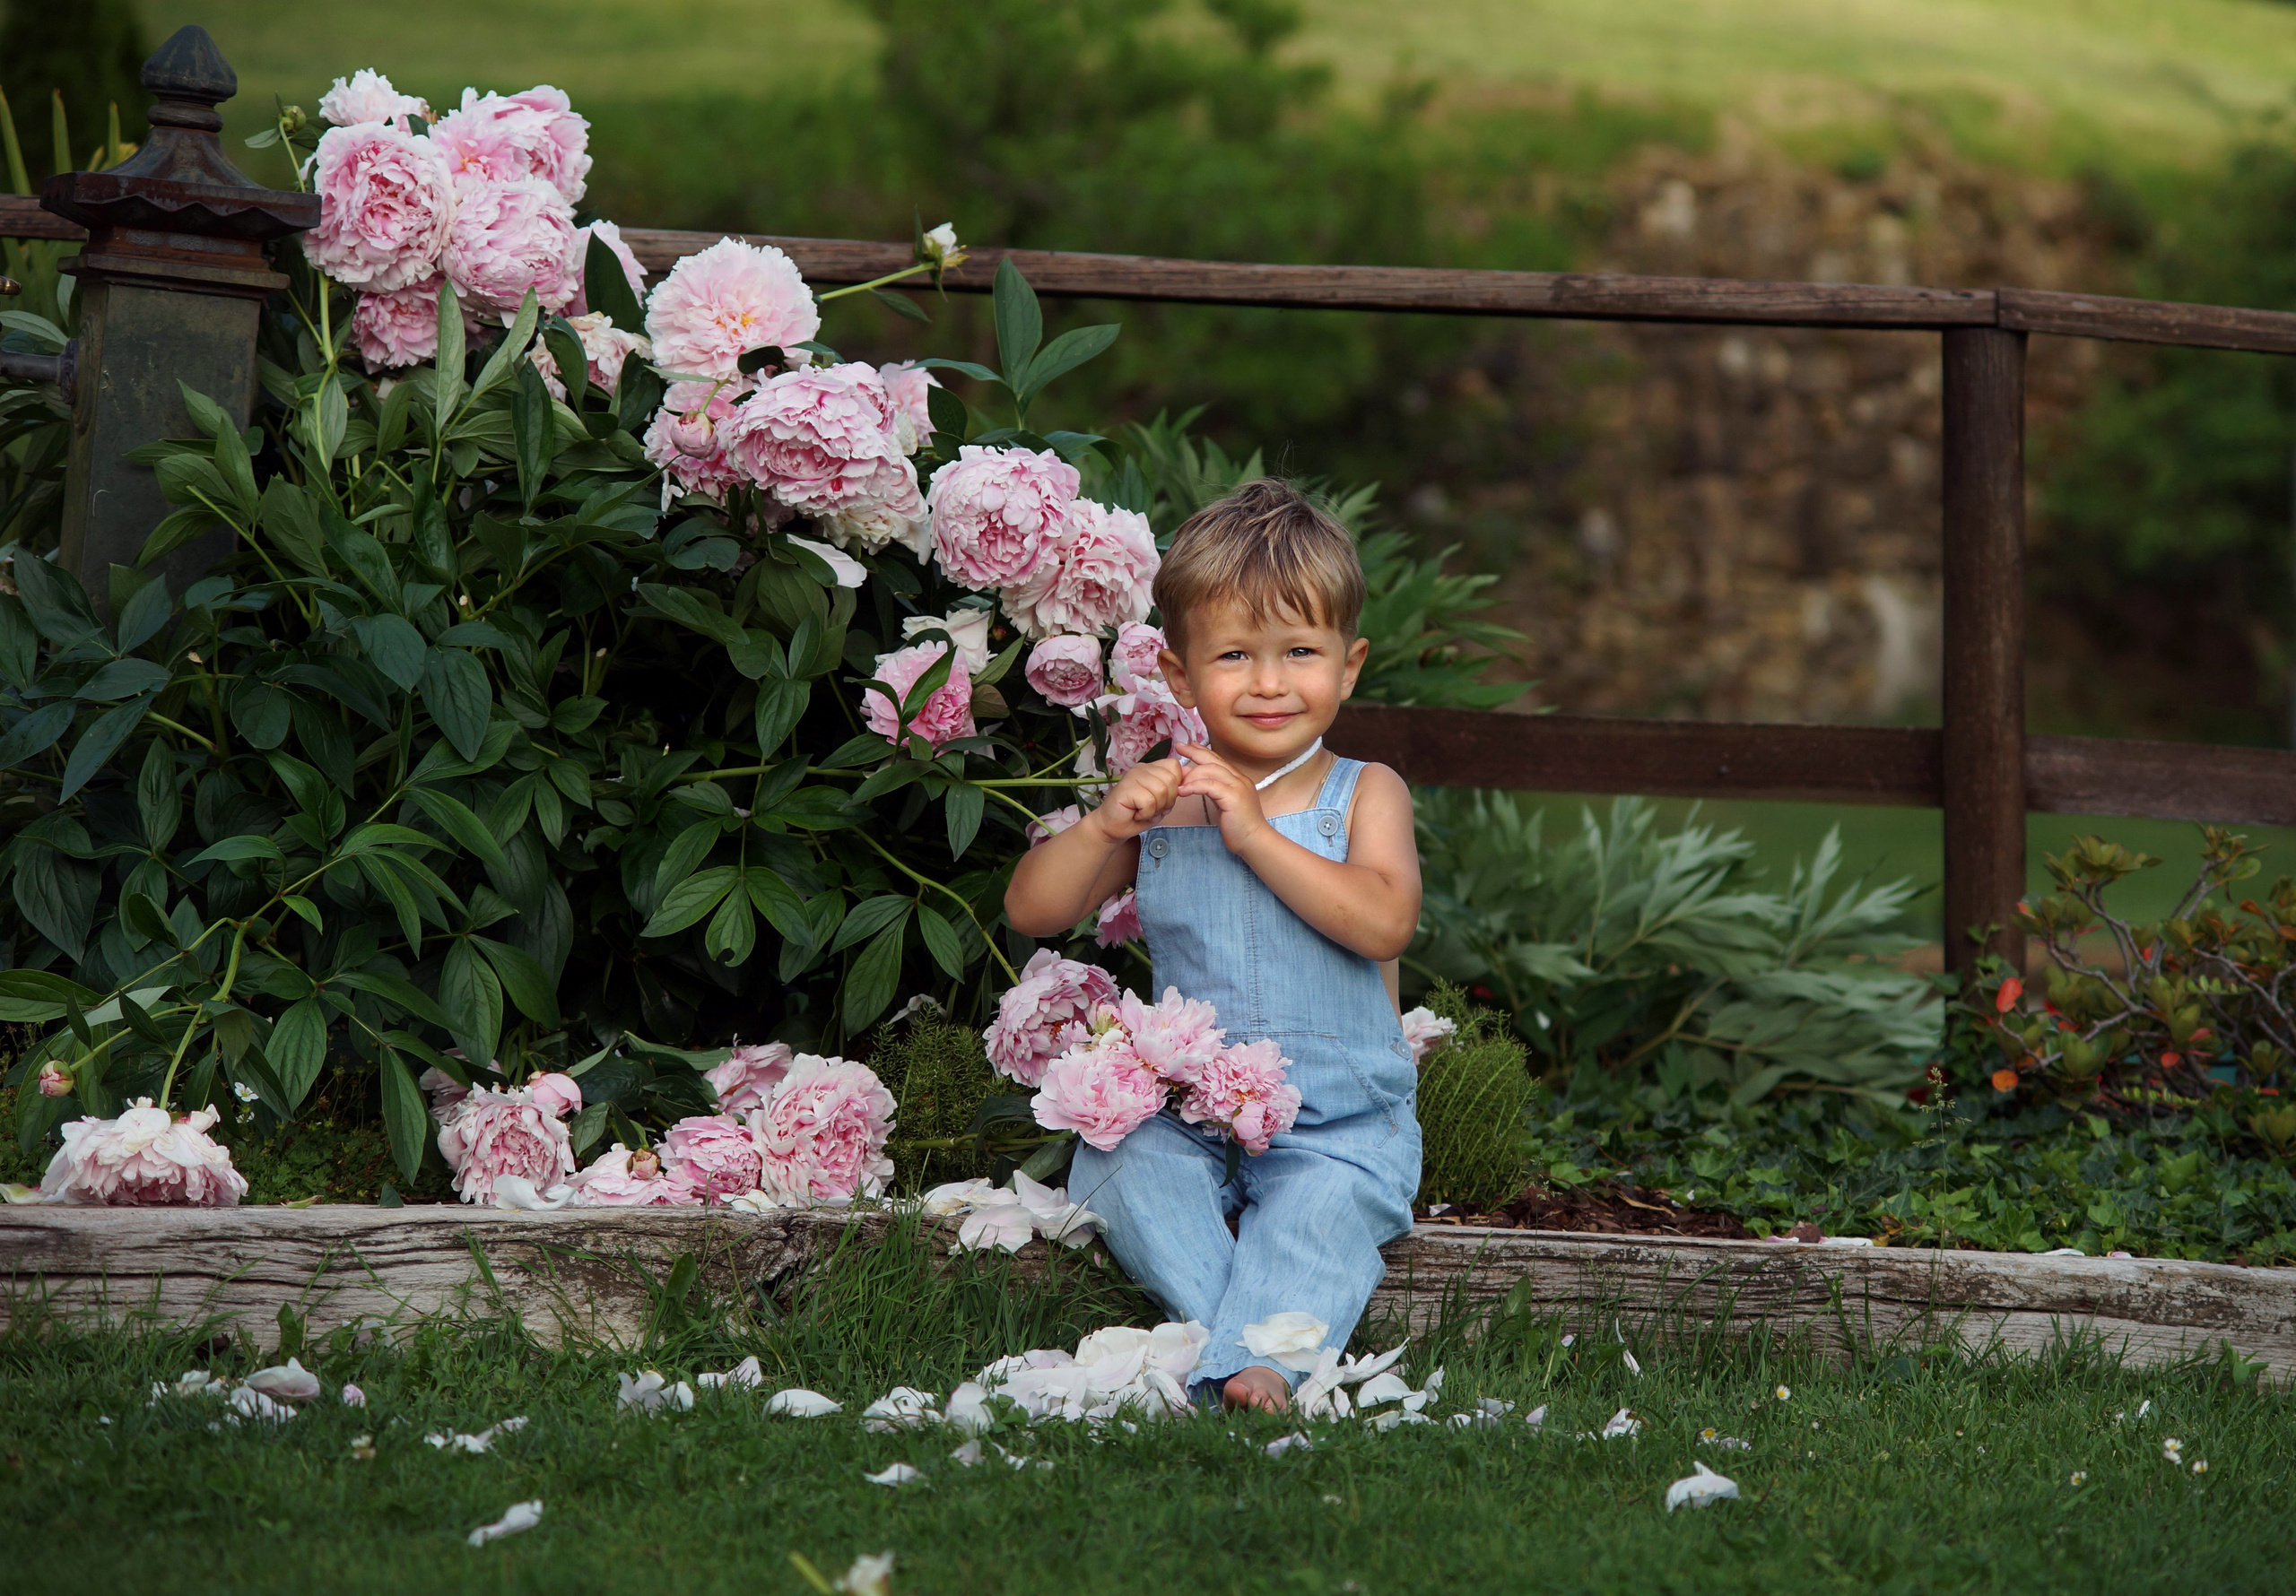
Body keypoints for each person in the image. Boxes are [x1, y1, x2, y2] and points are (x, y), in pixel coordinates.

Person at [1005, 478, 1422, 1413]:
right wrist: (1105, 825)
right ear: (1182, 677)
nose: (1270, 682)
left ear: (1348, 666)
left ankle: (1254, 1365)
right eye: (1234, 654)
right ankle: (1236, 1340)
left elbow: (1383, 920)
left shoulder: (1363, 792)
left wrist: (1257, 837)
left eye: (1300, 653)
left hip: (1340, 1123)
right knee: (1116, 1164)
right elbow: (1033, 910)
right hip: (1194, 1117)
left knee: (1321, 1215)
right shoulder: (1168, 801)